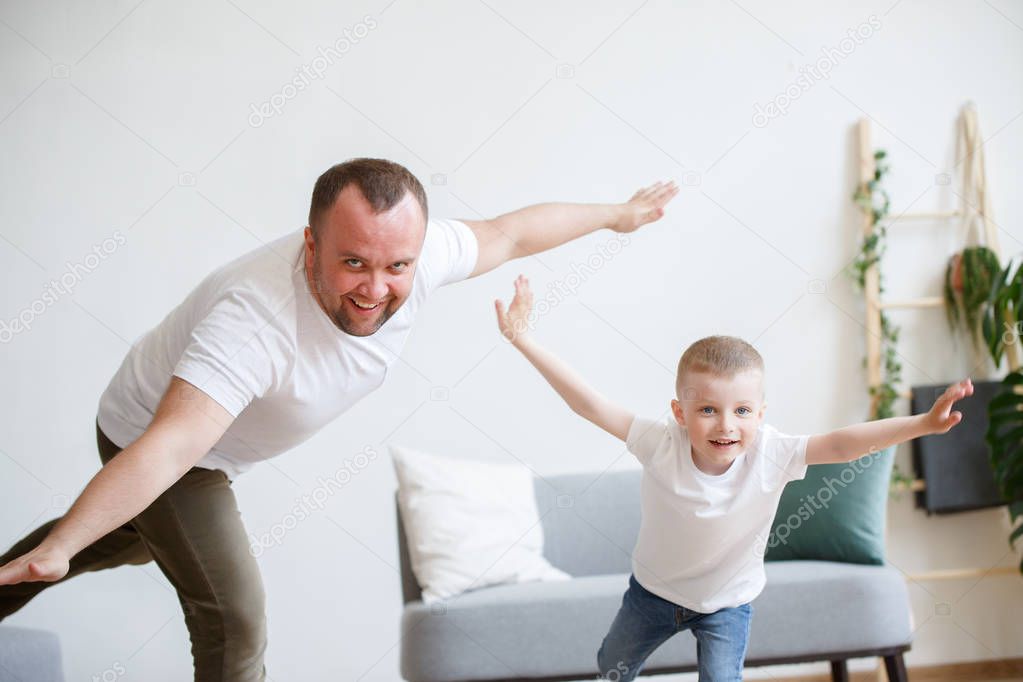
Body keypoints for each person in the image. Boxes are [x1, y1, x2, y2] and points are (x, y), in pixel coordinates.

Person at [0, 159, 680, 681]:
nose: (375, 289)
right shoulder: (252, 320)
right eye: (352, 263)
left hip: (208, 448)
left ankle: (45, 554)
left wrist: (616, 215)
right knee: (232, 615)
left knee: (115, 542)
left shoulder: (416, 250)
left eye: (396, 266)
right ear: (310, 244)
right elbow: (171, 445)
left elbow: (510, 233)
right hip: (159, 440)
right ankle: (56, 548)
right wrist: (62, 547)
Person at [494, 274, 974, 682]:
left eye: (742, 410)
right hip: (652, 595)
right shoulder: (661, 443)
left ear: (761, 414)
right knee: (610, 667)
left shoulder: (772, 451)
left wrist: (922, 425)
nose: (726, 425)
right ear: (680, 413)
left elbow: (844, 443)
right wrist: (523, 338)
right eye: (708, 410)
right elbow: (588, 403)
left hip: (726, 606)